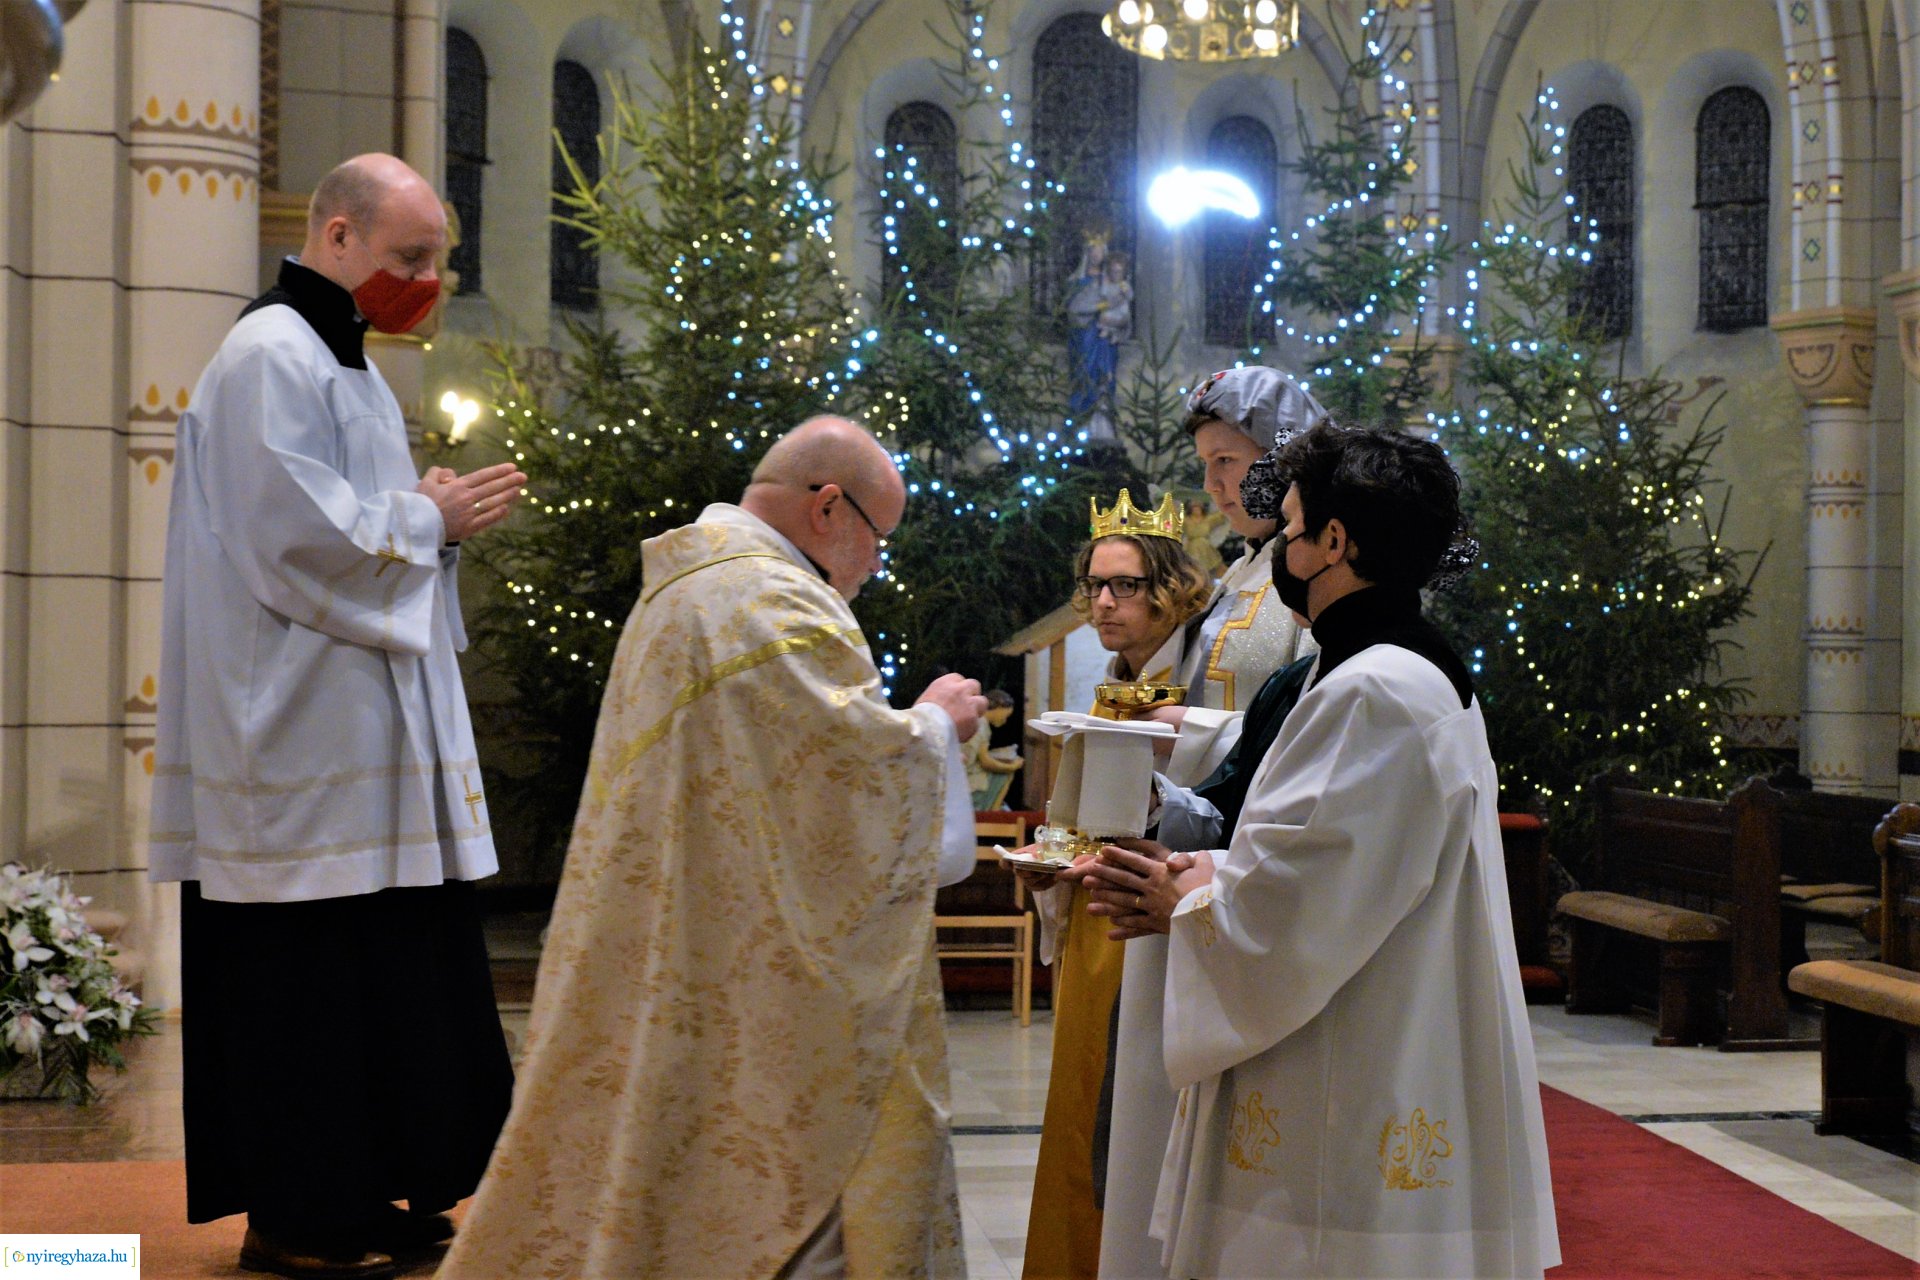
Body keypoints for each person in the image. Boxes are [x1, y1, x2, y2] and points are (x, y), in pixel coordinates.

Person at [440, 417, 989, 1280]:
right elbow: (846, 795)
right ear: (827, 507)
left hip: (693, 945)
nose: (879, 564)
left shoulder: (692, 586)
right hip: (761, 995)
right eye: (880, 537)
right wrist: (934, 727)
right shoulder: (774, 603)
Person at [149, 154, 524, 1279]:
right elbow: (297, 538)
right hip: (294, 736)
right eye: (410, 257)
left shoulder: (344, 362)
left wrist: (430, 528)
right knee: (304, 988)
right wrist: (429, 516)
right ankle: (297, 1214)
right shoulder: (270, 353)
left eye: (436, 260)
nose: (425, 280)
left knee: (383, 974)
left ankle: (365, 1191)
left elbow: (367, 532)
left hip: (358, 733)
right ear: (340, 235)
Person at [1080, 424, 1560, 1278]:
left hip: (1352, 1062)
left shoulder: (1375, 688)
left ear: (1335, 543)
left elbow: (1301, 906)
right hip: (1384, 1016)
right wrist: (1205, 872)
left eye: (1293, 530)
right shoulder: (1395, 669)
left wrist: (1182, 900)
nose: (1279, 551)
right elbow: (1327, 862)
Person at [1020, 494, 1211, 1280]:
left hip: (1153, 914)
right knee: (1078, 1108)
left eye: (1125, 586)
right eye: (1096, 585)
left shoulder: (1203, 685)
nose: (1103, 602)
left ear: (1169, 588)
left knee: (1124, 1121)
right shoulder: (1112, 679)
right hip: (1095, 914)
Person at [968, 689, 1024, 810]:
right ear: (998, 707)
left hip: (967, 770)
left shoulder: (978, 720)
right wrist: (1012, 767)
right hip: (968, 778)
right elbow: (986, 763)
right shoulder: (981, 724)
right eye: (1006, 716)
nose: (1005, 721)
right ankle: (991, 812)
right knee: (1007, 772)